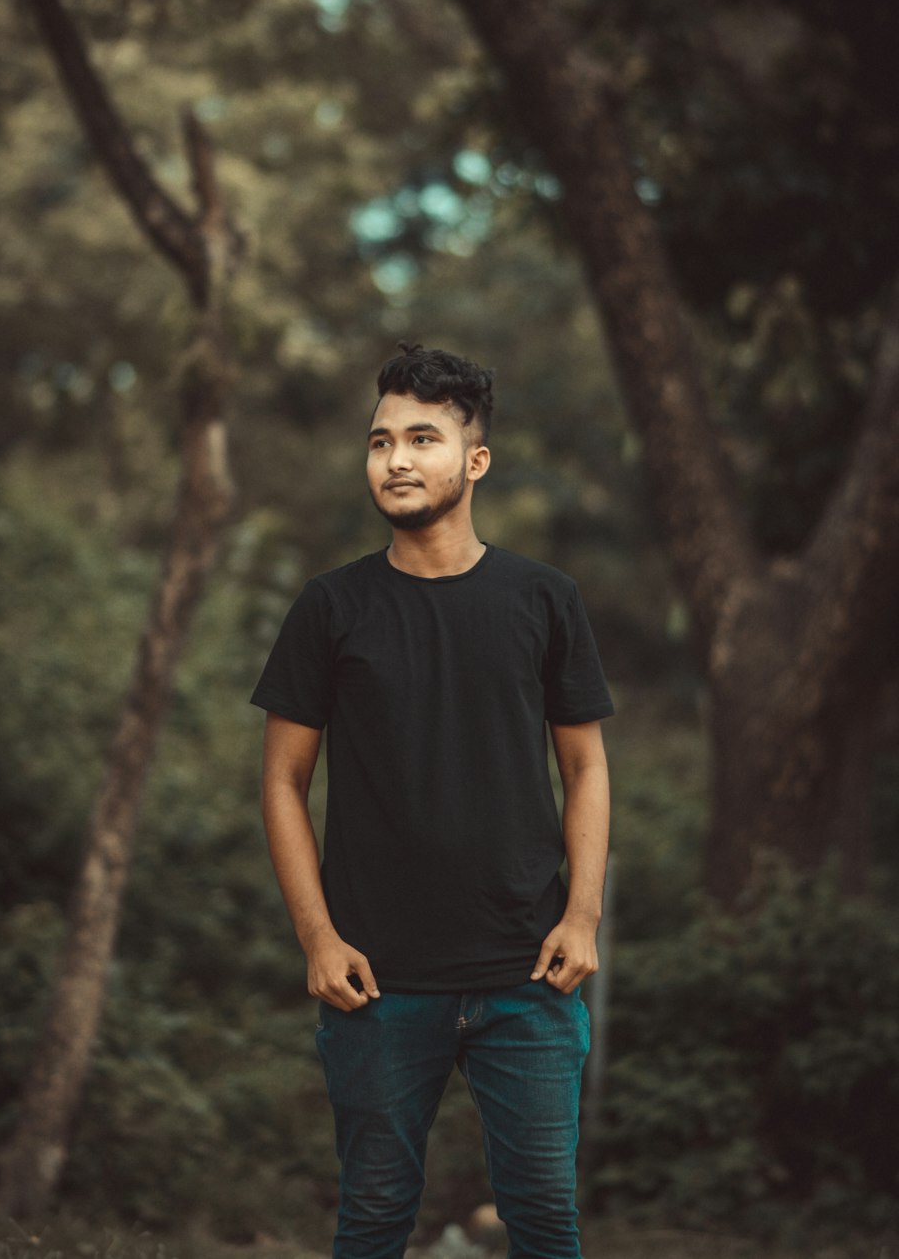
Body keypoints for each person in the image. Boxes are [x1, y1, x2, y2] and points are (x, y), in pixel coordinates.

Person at [253, 343, 614, 1259]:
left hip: (528, 973)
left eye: (422, 438)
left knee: (544, 1221)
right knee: (373, 1219)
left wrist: (581, 916)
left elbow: (586, 770)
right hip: (377, 982)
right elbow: (283, 782)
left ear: (475, 460)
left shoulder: (544, 599)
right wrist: (318, 939)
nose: (397, 460)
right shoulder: (331, 608)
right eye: (380, 442)